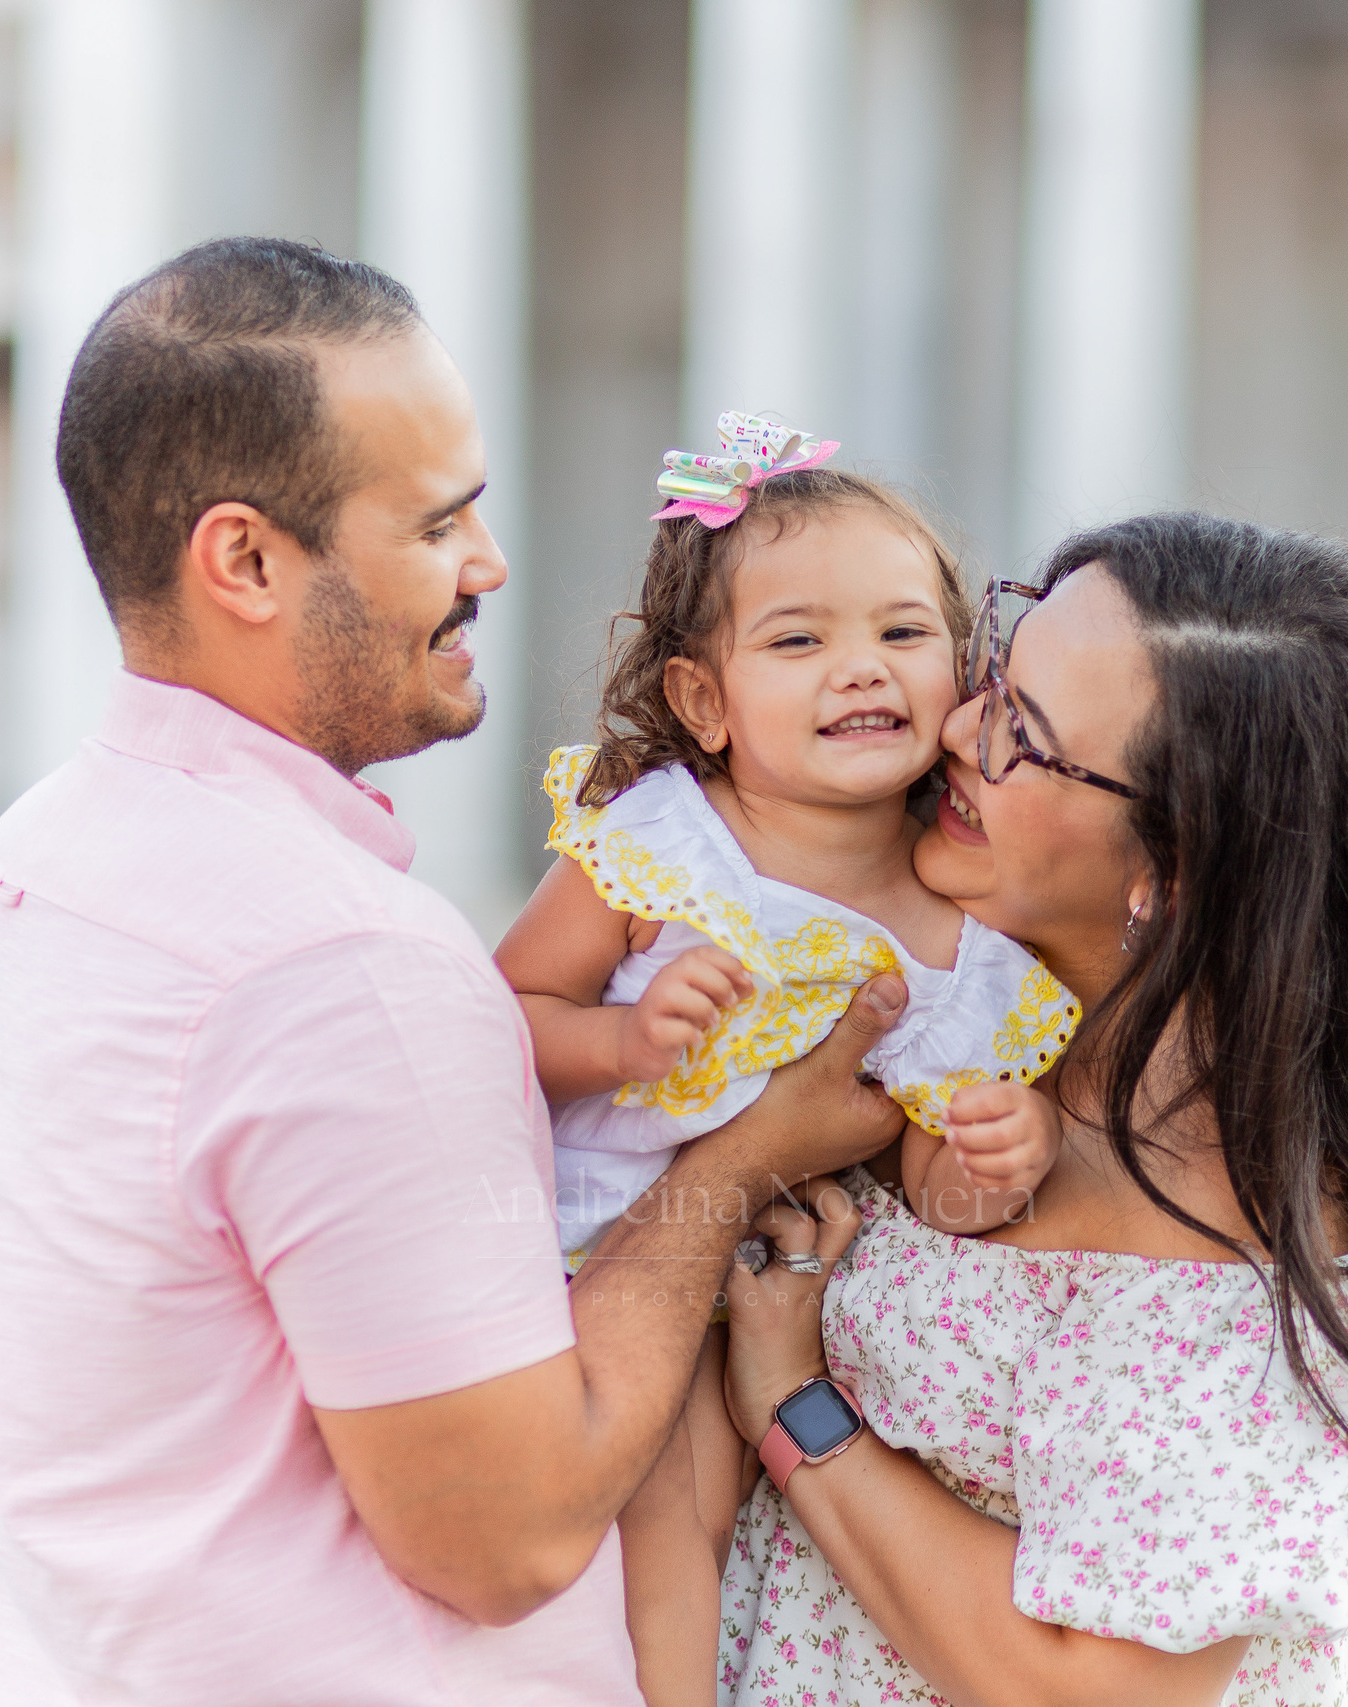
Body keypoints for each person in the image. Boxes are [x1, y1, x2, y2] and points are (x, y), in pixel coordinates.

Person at [0, 238, 904, 1707]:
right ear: (245, 559)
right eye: (440, 522)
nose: (489, 566)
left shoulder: (29, 868)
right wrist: (753, 1154)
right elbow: (505, 1531)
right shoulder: (342, 963)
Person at [716, 512, 1348, 1706]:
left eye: (1019, 733)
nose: (952, 725)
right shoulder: (964, 1014)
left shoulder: (1249, 1280)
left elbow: (1091, 1692)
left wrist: (795, 1409)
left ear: (1175, 869)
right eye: (996, 664)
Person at [494, 417, 1076, 1706]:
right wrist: (623, 1039)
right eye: (799, 640)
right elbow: (504, 1013)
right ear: (704, 700)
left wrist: (1000, 1150)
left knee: (705, 1523)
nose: (858, 670)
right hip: (595, 1254)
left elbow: (926, 1173)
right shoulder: (663, 845)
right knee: (653, 1523)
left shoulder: (968, 935)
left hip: (773, 1279)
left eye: (902, 633)